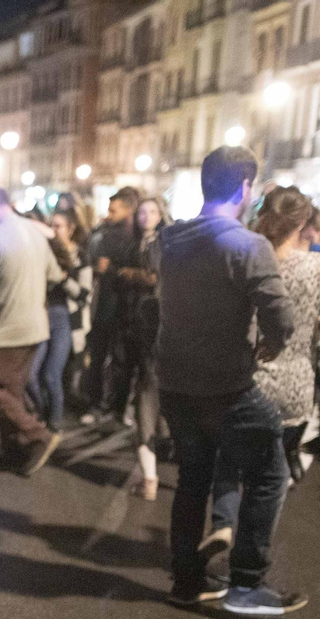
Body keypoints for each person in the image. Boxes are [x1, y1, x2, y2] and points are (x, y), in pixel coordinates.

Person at [155, 146, 298, 615]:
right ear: (245, 188)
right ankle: (246, 585)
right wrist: (273, 342)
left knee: (193, 478)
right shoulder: (247, 244)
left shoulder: (170, 239)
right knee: (270, 474)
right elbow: (280, 314)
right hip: (226, 384)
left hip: (175, 380)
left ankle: (187, 580)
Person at [206, 187, 320, 547]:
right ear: (303, 223)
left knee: (229, 462)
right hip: (296, 387)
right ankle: (250, 549)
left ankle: (223, 524)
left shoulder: (246, 260)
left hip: (247, 379)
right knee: (269, 475)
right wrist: (312, 325)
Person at [0, 186, 67, 476]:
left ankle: (36, 436)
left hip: (8, 328)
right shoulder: (33, 231)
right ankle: (16, 452)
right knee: (12, 391)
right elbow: (55, 274)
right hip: (35, 325)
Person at [113, 196, 172, 499]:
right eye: (141, 212)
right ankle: (156, 441)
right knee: (146, 387)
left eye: (151, 212)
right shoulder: (136, 242)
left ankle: (151, 469)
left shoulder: (163, 242)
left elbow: (156, 279)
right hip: (135, 323)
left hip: (154, 325)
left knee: (149, 393)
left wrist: (127, 273)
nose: (145, 217)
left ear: (161, 214)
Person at [80, 185, 142, 421]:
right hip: (108, 303)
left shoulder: (136, 239)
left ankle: (113, 406)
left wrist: (113, 270)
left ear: (128, 211)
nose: (109, 214)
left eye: (114, 210)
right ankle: (99, 404)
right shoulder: (105, 234)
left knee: (120, 359)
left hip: (125, 306)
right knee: (99, 356)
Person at [36, 208, 90, 433]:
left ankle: (54, 423)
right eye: (52, 225)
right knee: (32, 375)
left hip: (64, 319)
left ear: (71, 229)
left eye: (58, 226)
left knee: (51, 374)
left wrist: (63, 277)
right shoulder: (44, 251)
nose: (53, 230)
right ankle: (40, 415)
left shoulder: (81, 257)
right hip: (41, 315)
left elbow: (84, 294)